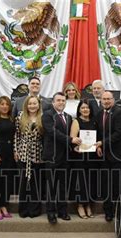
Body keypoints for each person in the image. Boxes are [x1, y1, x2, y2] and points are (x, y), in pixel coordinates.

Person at [42, 92, 81, 224]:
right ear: (53, 102)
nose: (61, 103)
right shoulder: (47, 115)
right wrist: (71, 140)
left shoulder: (69, 117)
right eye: (58, 100)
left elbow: (71, 135)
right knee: (51, 186)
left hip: (65, 157)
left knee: (63, 186)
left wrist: (75, 145)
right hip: (51, 157)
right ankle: (51, 213)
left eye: (63, 100)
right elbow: (53, 133)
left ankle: (62, 211)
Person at [96, 91, 121, 221]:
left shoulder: (119, 112)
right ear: (101, 100)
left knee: (116, 184)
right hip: (103, 156)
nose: (106, 101)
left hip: (117, 155)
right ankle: (108, 211)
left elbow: (119, 133)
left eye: (109, 99)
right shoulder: (99, 113)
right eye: (104, 99)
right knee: (105, 184)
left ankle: (118, 211)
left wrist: (102, 143)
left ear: (113, 100)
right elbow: (98, 133)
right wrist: (98, 146)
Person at [14, 95, 44, 218]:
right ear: (26, 105)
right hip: (23, 153)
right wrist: (15, 150)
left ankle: (34, 210)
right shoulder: (20, 117)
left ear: (39, 105)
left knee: (35, 184)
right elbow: (16, 135)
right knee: (23, 183)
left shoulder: (43, 118)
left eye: (35, 103)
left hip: (37, 154)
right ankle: (23, 210)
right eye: (30, 104)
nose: (32, 106)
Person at [69, 99, 99, 219]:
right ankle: (80, 205)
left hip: (92, 156)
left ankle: (88, 205)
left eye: (87, 108)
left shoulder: (94, 121)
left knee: (91, 181)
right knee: (81, 181)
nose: (85, 110)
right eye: (83, 108)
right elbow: (72, 138)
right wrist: (75, 146)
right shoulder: (76, 121)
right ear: (79, 109)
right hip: (80, 156)